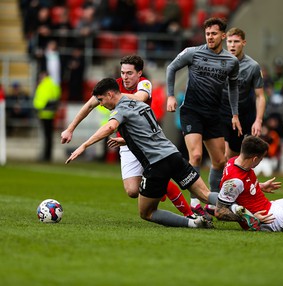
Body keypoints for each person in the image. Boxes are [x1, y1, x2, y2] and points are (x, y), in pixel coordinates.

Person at [66, 78, 219, 229]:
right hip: (173, 154)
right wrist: (126, 140)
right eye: (123, 72)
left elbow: (109, 127)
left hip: (156, 163)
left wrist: (84, 146)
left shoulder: (122, 107)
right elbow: (148, 133)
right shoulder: (141, 104)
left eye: (101, 100)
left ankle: (193, 222)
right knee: (204, 194)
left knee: (147, 212)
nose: (100, 104)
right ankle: (234, 206)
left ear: (110, 94)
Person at [61, 55, 195, 218]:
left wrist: (114, 96)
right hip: (125, 142)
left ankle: (190, 213)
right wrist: (70, 129)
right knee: (132, 191)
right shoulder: (114, 87)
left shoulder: (144, 83)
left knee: (161, 177)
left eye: (129, 73)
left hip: (147, 141)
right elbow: (89, 105)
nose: (125, 77)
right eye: (123, 72)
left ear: (139, 73)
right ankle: (161, 188)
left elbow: (140, 98)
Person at [166, 17, 242, 218]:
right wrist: (171, 95)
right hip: (192, 111)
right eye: (207, 33)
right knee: (196, 156)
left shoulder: (231, 62)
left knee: (219, 161)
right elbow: (171, 68)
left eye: (214, 33)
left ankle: (212, 201)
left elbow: (233, 87)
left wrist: (235, 114)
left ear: (223, 36)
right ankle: (194, 202)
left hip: (213, 114)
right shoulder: (193, 53)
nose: (210, 37)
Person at [220, 27, 266, 160]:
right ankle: (218, 181)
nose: (232, 45)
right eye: (229, 42)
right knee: (221, 155)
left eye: (236, 42)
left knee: (233, 156)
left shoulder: (253, 67)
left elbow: (260, 96)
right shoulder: (218, 62)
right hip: (221, 112)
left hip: (242, 115)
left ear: (243, 43)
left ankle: (229, 179)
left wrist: (258, 120)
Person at [33, 70, 61, 162]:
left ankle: (46, 155)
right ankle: (47, 154)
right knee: (48, 136)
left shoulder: (44, 85)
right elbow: (56, 97)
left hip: (44, 113)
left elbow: (40, 99)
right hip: (49, 112)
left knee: (46, 136)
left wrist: (39, 107)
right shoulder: (53, 84)